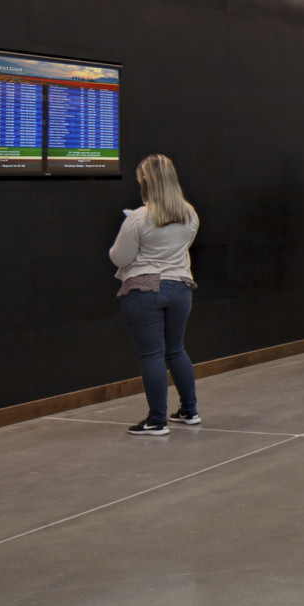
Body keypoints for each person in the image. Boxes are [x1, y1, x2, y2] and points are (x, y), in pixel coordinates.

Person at [109, 153, 201, 436]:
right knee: (176, 350)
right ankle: (189, 411)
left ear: (146, 181)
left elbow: (119, 257)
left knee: (151, 355)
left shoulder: (139, 217)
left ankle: (157, 421)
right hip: (181, 288)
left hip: (144, 290)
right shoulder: (190, 214)